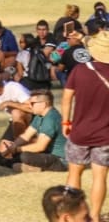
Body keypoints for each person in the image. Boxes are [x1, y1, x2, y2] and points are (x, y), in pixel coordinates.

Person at [61, 31, 109, 218]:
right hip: (105, 134)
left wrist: (66, 121)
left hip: (80, 131)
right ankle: (95, 216)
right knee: (100, 176)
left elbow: (67, 98)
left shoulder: (80, 70)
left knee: (74, 173)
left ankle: (74, 215)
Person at [0, 88, 67, 173]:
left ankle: (37, 168)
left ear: (43, 104)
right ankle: (9, 163)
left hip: (60, 159)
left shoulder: (50, 119)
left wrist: (17, 149)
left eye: (32, 103)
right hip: (48, 153)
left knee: (24, 156)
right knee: (19, 154)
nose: (29, 106)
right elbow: (25, 136)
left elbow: (40, 146)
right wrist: (12, 147)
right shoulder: (40, 116)